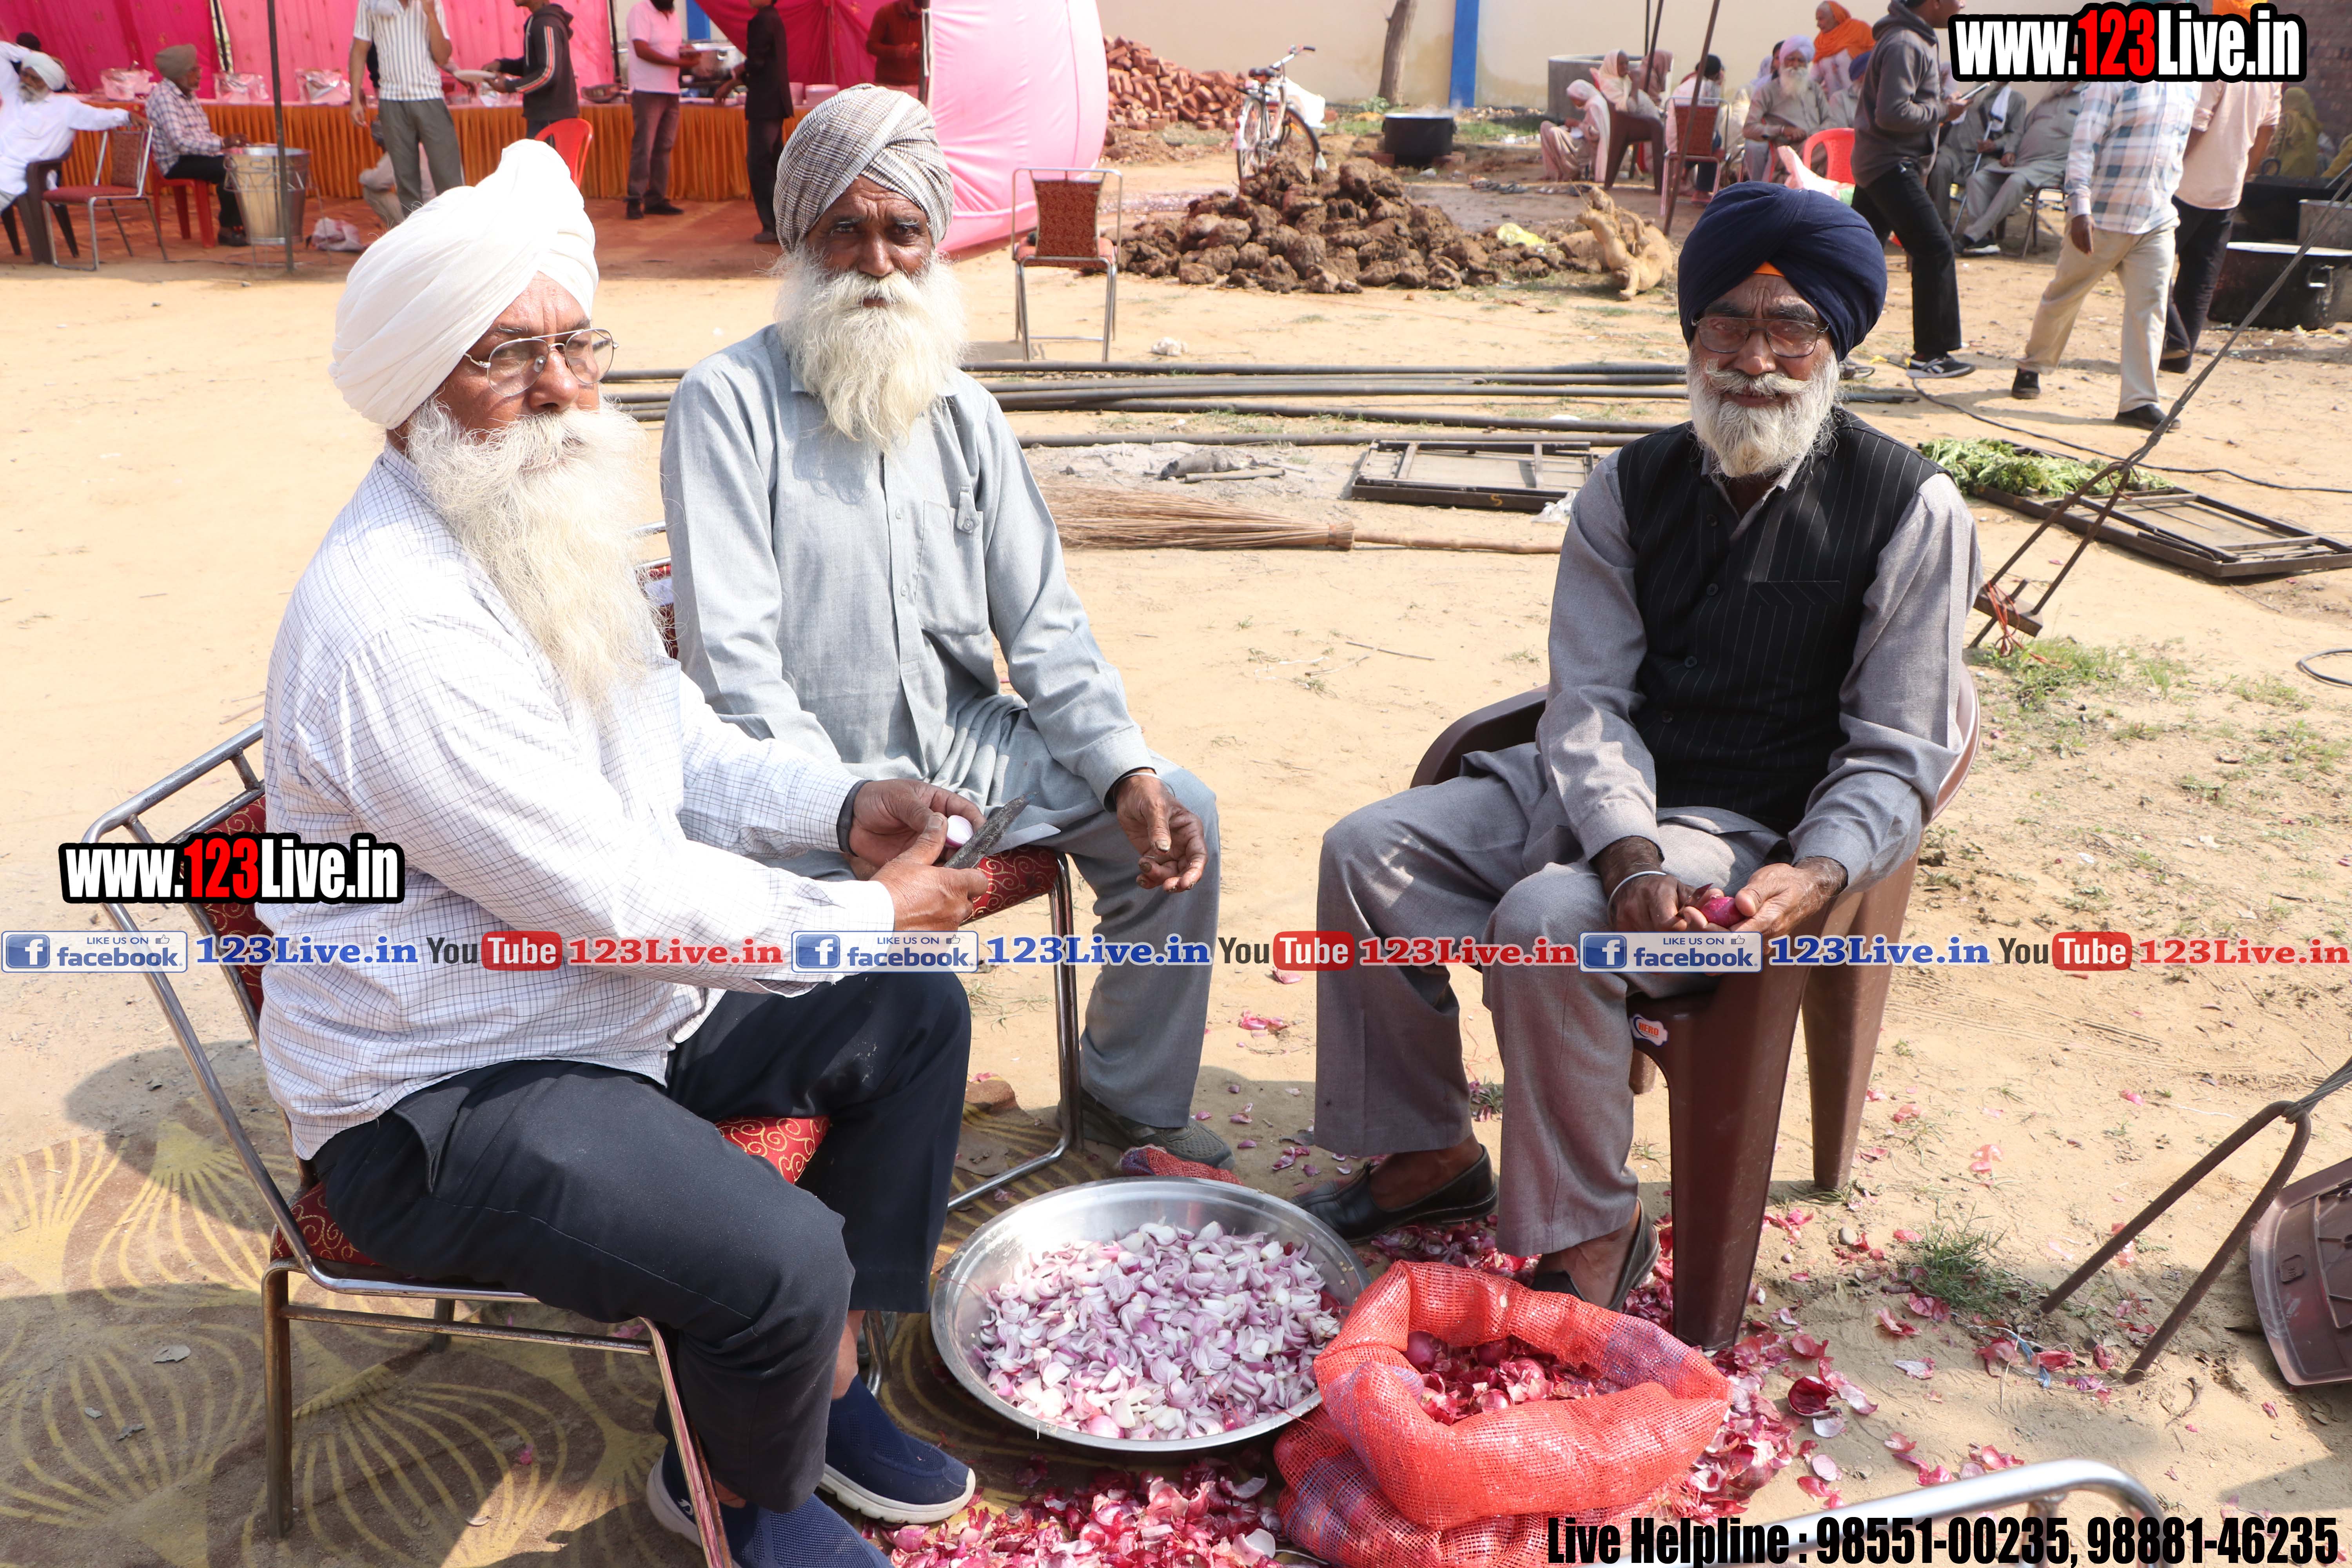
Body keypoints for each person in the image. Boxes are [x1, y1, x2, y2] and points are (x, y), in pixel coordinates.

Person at [290, 138, 984, 1568]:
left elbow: (677, 743)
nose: (558, 388)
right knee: (778, 1254)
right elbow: (607, 895)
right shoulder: (394, 627)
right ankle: (744, 1498)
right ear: (415, 390)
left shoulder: (535, 521)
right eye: (506, 357)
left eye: (575, 347)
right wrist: (864, 909)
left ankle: (822, 1384)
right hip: (441, 1095)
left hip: (603, 1008)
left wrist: (840, 807)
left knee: (908, 1014)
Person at [1299, 180, 1978, 1305]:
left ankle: (1594, 1235)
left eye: (1791, 328)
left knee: (1551, 924)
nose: (1754, 359)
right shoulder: (1628, 485)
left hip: (1746, 823)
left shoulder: (1910, 508)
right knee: (1367, 852)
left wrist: (1818, 870)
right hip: (1592, 790)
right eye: (1727, 324)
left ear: (1837, 343)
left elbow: (1901, 746)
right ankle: (1431, 1154)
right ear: (1691, 333)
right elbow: (1588, 699)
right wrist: (1625, 850)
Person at [662, 87, 1230, 1171]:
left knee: (1176, 809)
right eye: (846, 230)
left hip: (968, 749)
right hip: (805, 775)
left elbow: (1046, 625)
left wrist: (1125, 770)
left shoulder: (964, 410)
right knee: (869, 940)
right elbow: (734, 670)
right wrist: (844, 808)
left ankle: (1128, 1099)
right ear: (802, 241)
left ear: (934, 246)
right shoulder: (725, 403)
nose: (877, 263)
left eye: (903, 231)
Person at [2012, 80, 2200, 428]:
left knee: (2151, 306)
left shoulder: (2189, 85)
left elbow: (2178, 145)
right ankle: (2032, 366)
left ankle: (2138, 402)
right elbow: (2084, 144)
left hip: (2156, 218)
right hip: (2102, 217)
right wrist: (2080, 207)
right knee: (2065, 296)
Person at [1849, 0, 1973, 378]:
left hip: (1882, 162)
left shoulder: (1914, 39)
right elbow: (1893, 113)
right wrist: (1944, 112)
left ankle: (1827, 350)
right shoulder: (1906, 42)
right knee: (1934, 249)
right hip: (1890, 164)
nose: (1963, 4)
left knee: (1855, 260)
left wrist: (1941, 106)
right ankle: (1930, 356)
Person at [2162, 74, 2276, 371]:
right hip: (2226, 192)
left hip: (2183, 186)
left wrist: (2164, 173)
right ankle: (2179, 359)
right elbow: (2268, 129)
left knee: (2143, 263)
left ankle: (2175, 339)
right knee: (2199, 280)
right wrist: (2241, 177)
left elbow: (2197, 125)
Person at [348, 0, 461, 217]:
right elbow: (360, 48)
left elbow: (443, 56)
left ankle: (455, 234)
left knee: (450, 182)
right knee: (406, 185)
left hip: (430, 98)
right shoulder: (370, 2)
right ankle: (416, 236)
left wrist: (431, 14)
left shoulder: (432, 3)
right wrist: (355, 99)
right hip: (392, 101)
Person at [1953, 82, 2080, 255]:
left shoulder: (2088, 99)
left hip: (2052, 165)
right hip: (2023, 162)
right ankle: (1983, 239)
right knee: (1978, 180)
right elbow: (2021, 130)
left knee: (2016, 182)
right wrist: (2010, 150)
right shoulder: (2050, 98)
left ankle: (1971, 237)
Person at [145, 44, 249, 247]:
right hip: (176, 162)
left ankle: (245, 224)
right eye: (194, 70)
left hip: (193, 156)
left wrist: (228, 146)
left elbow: (202, 134)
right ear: (179, 74)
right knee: (230, 168)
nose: (200, 74)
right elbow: (180, 143)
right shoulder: (165, 98)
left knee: (243, 161)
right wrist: (221, 144)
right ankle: (228, 229)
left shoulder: (188, 94)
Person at [1, 53, 128, 205]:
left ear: (48, 84)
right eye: (25, 75)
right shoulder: (13, 97)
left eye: (35, 79)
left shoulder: (64, 106)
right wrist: (29, 54)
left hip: (25, 172)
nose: (27, 81)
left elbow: (99, 117)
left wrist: (126, 116)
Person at [724, 0, 789, 243]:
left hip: (765, 103)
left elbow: (757, 63)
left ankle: (772, 226)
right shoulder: (774, 18)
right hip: (775, 101)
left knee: (759, 163)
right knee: (774, 162)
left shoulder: (762, 20)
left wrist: (738, 74)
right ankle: (783, 223)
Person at [625, 0, 694, 218]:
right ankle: (635, 199)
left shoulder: (672, 14)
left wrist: (686, 54)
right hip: (647, 89)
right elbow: (642, 50)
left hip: (671, 89)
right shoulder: (640, 11)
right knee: (644, 146)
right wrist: (678, 63)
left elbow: (672, 49)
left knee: (664, 146)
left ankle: (656, 198)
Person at [1927, 79, 2018, 229]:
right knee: (1939, 165)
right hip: (1953, 151)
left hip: (1982, 156)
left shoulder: (2015, 100)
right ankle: (1941, 224)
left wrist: (1996, 144)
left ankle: (1979, 230)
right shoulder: (1971, 95)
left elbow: (2015, 133)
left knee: (1988, 176)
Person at [1743, 37, 1830, 182]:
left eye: (1801, 61)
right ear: (1783, 61)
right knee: (1831, 151)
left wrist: (1813, 135)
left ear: (1806, 64)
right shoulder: (1768, 91)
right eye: (1791, 60)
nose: (1796, 65)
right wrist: (1783, 130)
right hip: (1787, 149)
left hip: (1816, 144)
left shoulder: (1815, 90)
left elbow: (1831, 120)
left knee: (1845, 147)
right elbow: (1749, 129)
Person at [488, 0, 577, 139]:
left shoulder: (547, 24)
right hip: (544, 115)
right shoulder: (538, 21)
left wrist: (510, 86)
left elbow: (548, 73)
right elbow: (533, 66)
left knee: (547, 155)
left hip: (552, 117)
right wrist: (502, 65)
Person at [1541, 79, 1608, 182]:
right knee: (1545, 126)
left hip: (1588, 147)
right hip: (1583, 139)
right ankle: (1553, 173)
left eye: (1575, 100)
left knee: (1555, 133)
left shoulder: (1595, 106)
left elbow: (1595, 135)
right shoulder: (1592, 103)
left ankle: (1572, 172)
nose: (1574, 103)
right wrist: (1575, 128)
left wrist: (1577, 124)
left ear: (1582, 96)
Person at [865, 0, 926, 96]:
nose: (919, 13)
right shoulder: (886, 13)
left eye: (921, 9)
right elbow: (871, 46)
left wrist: (923, 56)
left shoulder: (926, 16)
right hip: (888, 84)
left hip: (915, 85)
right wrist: (895, 52)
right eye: (917, 6)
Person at [1815, 1, 1877, 69]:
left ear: (1835, 16)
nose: (1818, 25)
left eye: (1821, 19)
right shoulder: (1820, 42)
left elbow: (1877, 51)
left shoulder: (1858, 28)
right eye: (1817, 20)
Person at [2273, 86, 2318, 177]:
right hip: (2305, 178)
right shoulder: (2311, 125)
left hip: (2282, 175)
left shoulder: (2287, 119)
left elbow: (2274, 145)